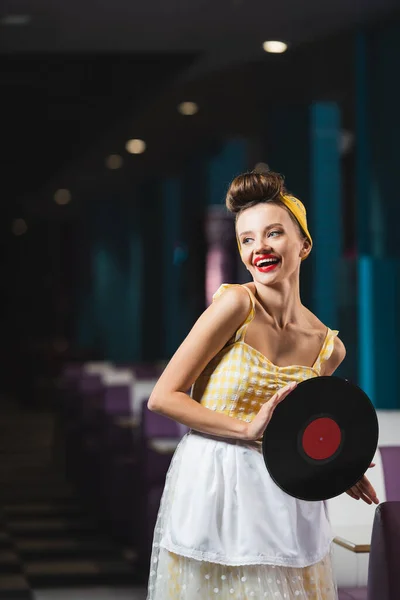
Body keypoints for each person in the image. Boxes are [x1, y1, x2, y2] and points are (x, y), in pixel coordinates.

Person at [146, 171, 379, 600]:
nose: (260, 249)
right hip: (215, 485)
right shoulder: (235, 303)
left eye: (273, 233)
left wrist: (336, 467)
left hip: (286, 497)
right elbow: (163, 397)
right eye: (247, 240)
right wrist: (245, 430)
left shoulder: (329, 348)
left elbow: (294, 431)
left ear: (303, 244)